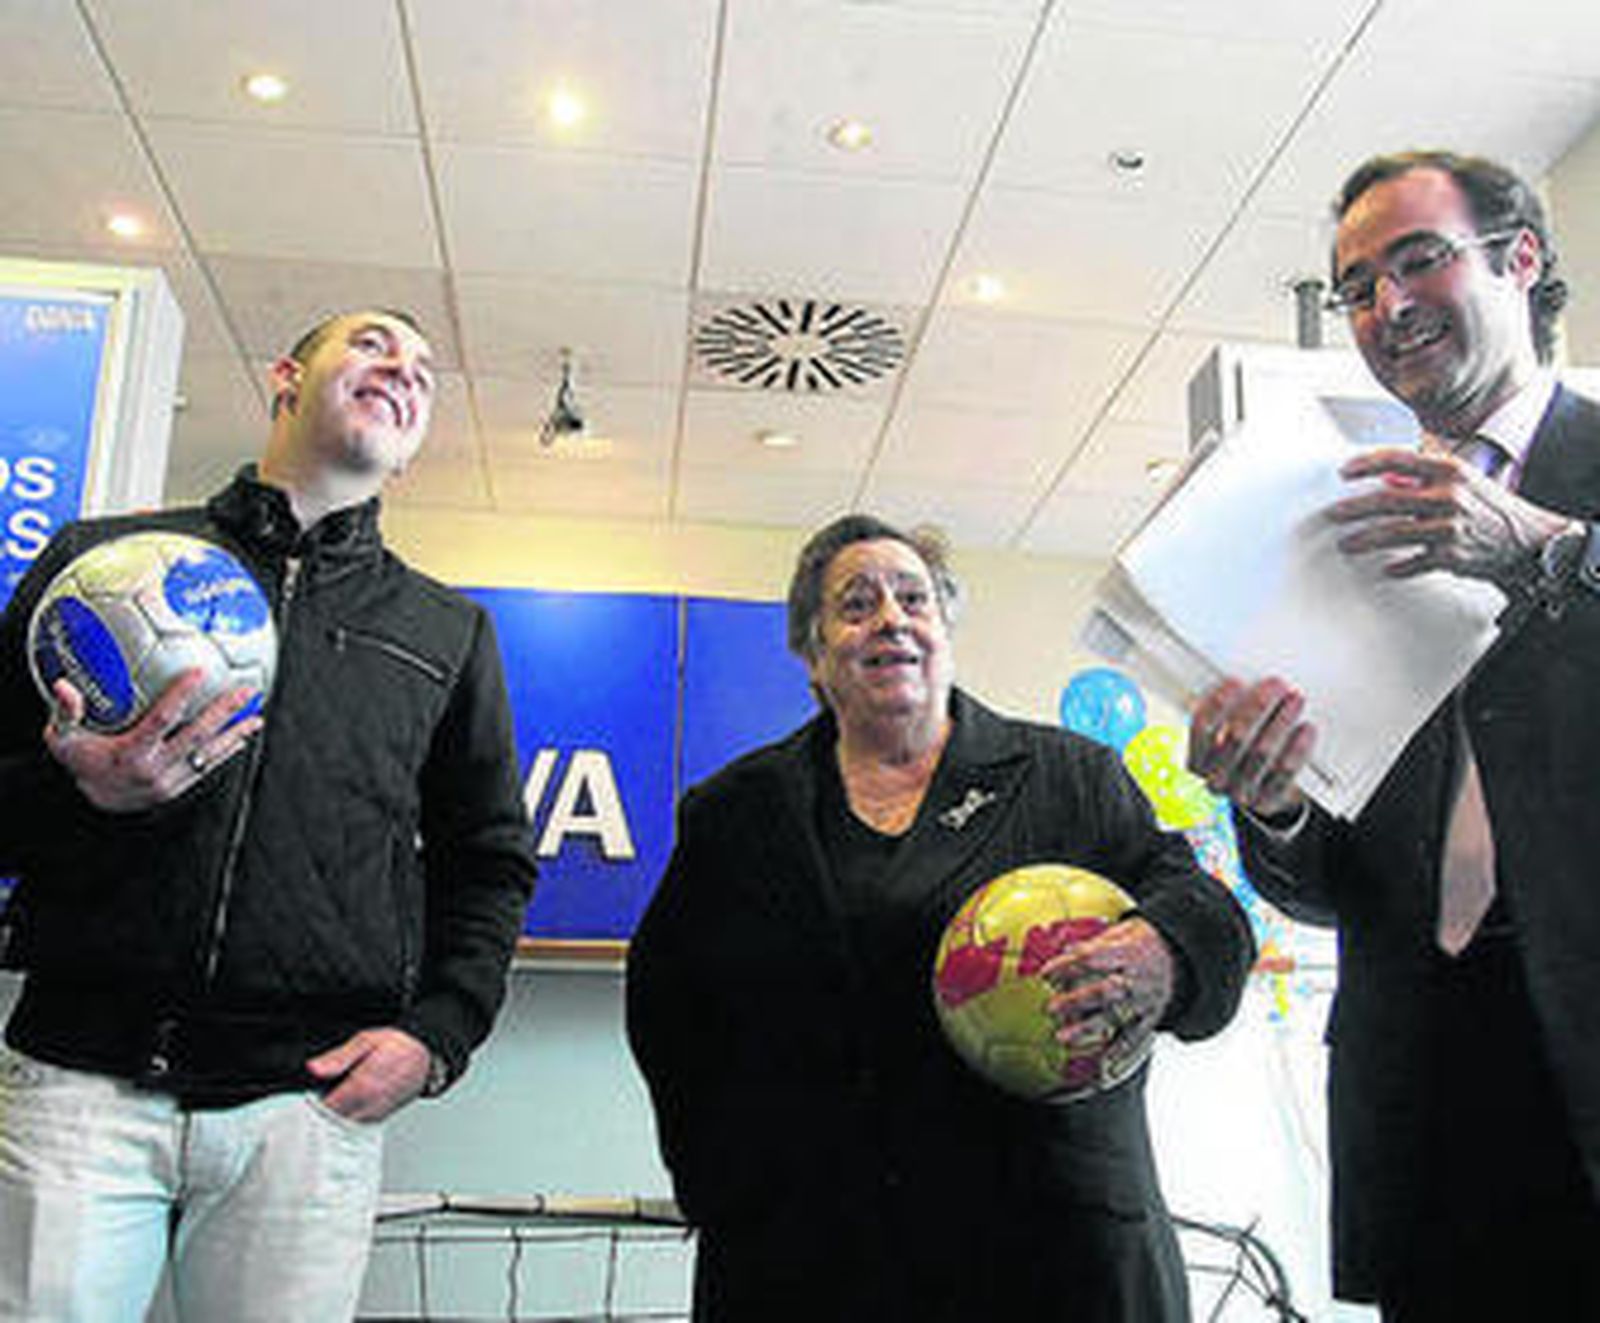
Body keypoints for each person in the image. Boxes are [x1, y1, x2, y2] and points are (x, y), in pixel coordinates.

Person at [0, 309, 537, 1321]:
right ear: (286, 376)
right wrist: (74, 789)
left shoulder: (445, 633)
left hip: (306, 1104)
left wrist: (439, 1033)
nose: (403, 371)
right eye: (373, 344)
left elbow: (489, 860)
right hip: (79, 1081)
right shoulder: (101, 568)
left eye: (424, 369)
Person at [627, 513, 1254, 1322]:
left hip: (1053, 1254)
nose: (891, 617)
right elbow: (668, 1006)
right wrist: (721, 1181)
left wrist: (1167, 953)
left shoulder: (1071, 778)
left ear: (946, 627)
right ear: (813, 655)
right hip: (811, 1261)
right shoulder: (736, 814)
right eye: (857, 604)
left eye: (914, 598)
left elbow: (1208, 909)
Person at [1187, 150, 1600, 1320]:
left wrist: (1543, 547)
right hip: (1423, 1111)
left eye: (1417, 261)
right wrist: (1269, 799)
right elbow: (1332, 887)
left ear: (1520, 260)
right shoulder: (1334, 534)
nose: (1387, 305)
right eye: (1355, 286)